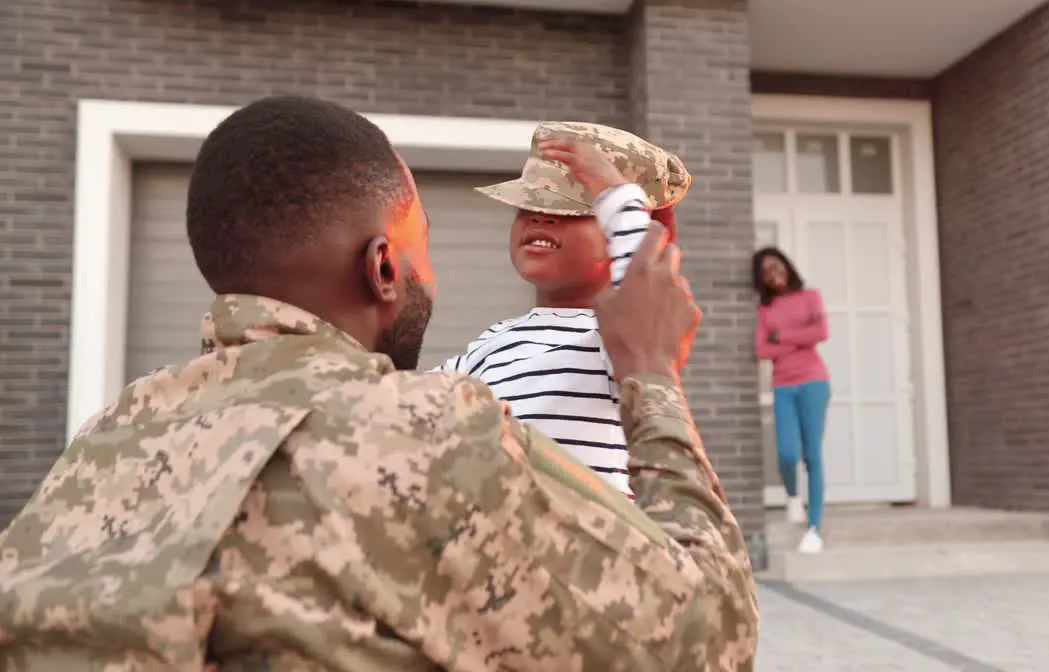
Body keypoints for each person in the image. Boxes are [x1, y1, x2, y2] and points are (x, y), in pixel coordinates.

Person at [0, 96, 759, 670]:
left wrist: (624, 211)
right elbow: (714, 635)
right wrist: (653, 376)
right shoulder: (430, 431)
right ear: (383, 267)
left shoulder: (107, 437)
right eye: (420, 237)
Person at [437, 122, 689, 499]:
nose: (541, 217)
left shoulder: (615, 339)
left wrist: (616, 194)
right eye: (529, 205)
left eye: (571, 209)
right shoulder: (492, 341)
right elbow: (409, 404)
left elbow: (642, 285)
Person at [753, 246, 831, 555]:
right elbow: (762, 351)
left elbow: (821, 332)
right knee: (787, 454)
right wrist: (800, 335)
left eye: (777, 266)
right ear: (763, 280)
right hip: (784, 385)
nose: (774, 274)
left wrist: (781, 337)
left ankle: (813, 529)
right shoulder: (764, 310)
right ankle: (792, 496)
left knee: (812, 455)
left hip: (814, 382)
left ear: (787, 266)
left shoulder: (810, 296)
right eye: (767, 273)